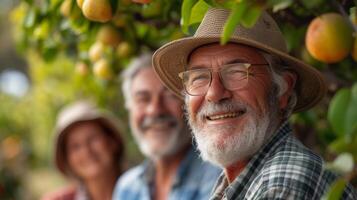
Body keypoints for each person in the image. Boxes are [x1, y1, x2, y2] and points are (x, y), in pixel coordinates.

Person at [152, 8, 357, 199]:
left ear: (283, 89)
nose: (214, 93)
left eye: (237, 72)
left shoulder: (283, 185)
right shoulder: (243, 181)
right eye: (198, 78)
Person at [112, 53, 221, 200]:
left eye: (170, 95)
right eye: (142, 99)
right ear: (129, 109)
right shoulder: (127, 188)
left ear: (191, 103)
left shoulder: (219, 178)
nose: (155, 110)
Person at [41, 101, 125, 200]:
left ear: (112, 141)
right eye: (75, 146)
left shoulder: (143, 189)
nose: (86, 151)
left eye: (93, 138)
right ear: (67, 159)